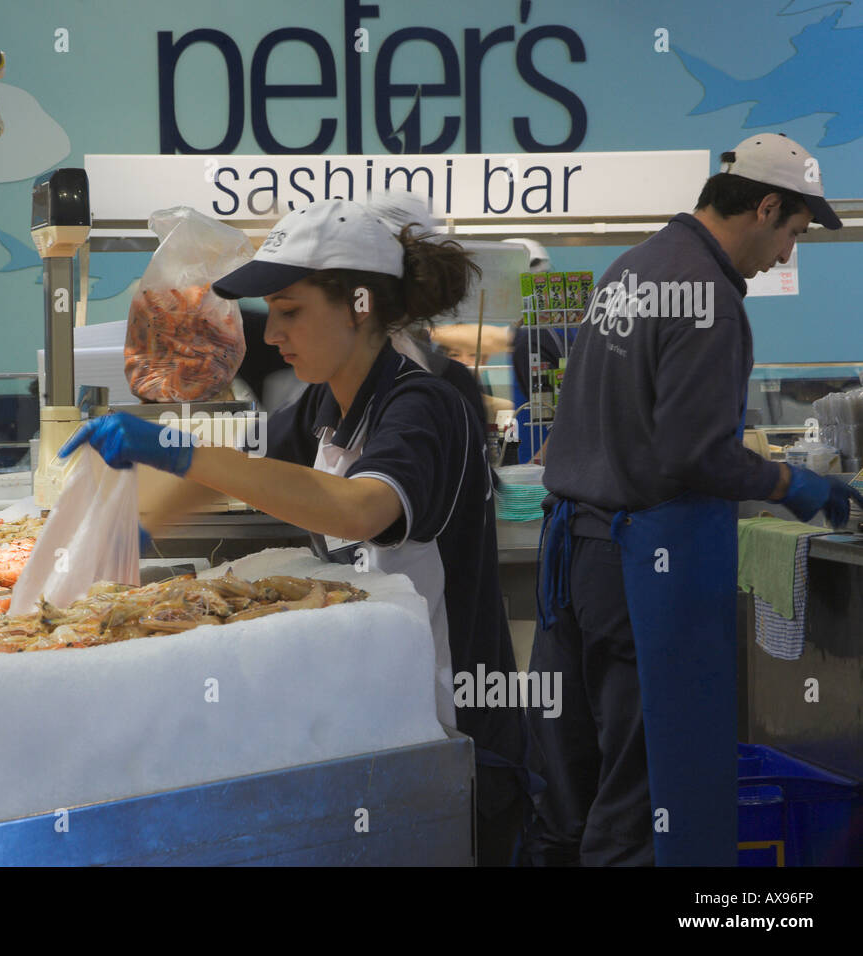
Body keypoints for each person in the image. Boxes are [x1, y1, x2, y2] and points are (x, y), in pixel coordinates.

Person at [60, 197, 529, 865]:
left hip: (449, 739)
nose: (272, 335)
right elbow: (237, 466)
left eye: (291, 311)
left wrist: (179, 449)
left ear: (360, 306)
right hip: (374, 718)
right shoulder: (324, 404)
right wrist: (128, 530)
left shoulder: (422, 404)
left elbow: (359, 508)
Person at [525, 133, 863, 866]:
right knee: (650, 795)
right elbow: (693, 453)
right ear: (767, 206)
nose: (785, 257)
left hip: (583, 562)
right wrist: (791, 485)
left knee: (593, 780)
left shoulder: (632, 268)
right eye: (793, 236)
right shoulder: (707, 297)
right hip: (644, 571)